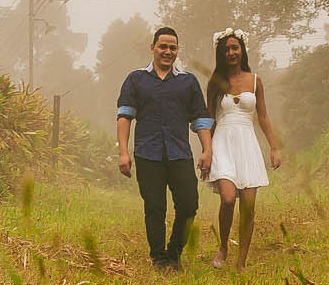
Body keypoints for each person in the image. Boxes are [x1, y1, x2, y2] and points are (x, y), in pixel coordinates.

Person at [116, 28, 214, 271]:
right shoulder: (136, 79)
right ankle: (159, 258)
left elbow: (200, 118)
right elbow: (125, 116)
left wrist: (207, 150)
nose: (168, 52)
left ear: (177, 50)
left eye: (172, 48)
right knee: (155, 207)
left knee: (189, 204)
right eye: (163, 46)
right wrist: (123, 152)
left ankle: (174, 252)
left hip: (179, 152)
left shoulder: (187, 81)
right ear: (153, 47)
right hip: (147, 153)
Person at [203, 29, 284, 270]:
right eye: (226, 49)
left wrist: (274, 147)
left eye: (235, 48)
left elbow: (264, 117)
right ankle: (224, 247)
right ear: (221, 53)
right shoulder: (214, 83)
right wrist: (206, 151)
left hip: (247, 143)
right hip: (222, 142)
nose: (231, 52)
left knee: (248, 206)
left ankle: (241, 262)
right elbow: (208, 120)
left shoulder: (255, 79)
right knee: (228, 199)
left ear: (242, 50)